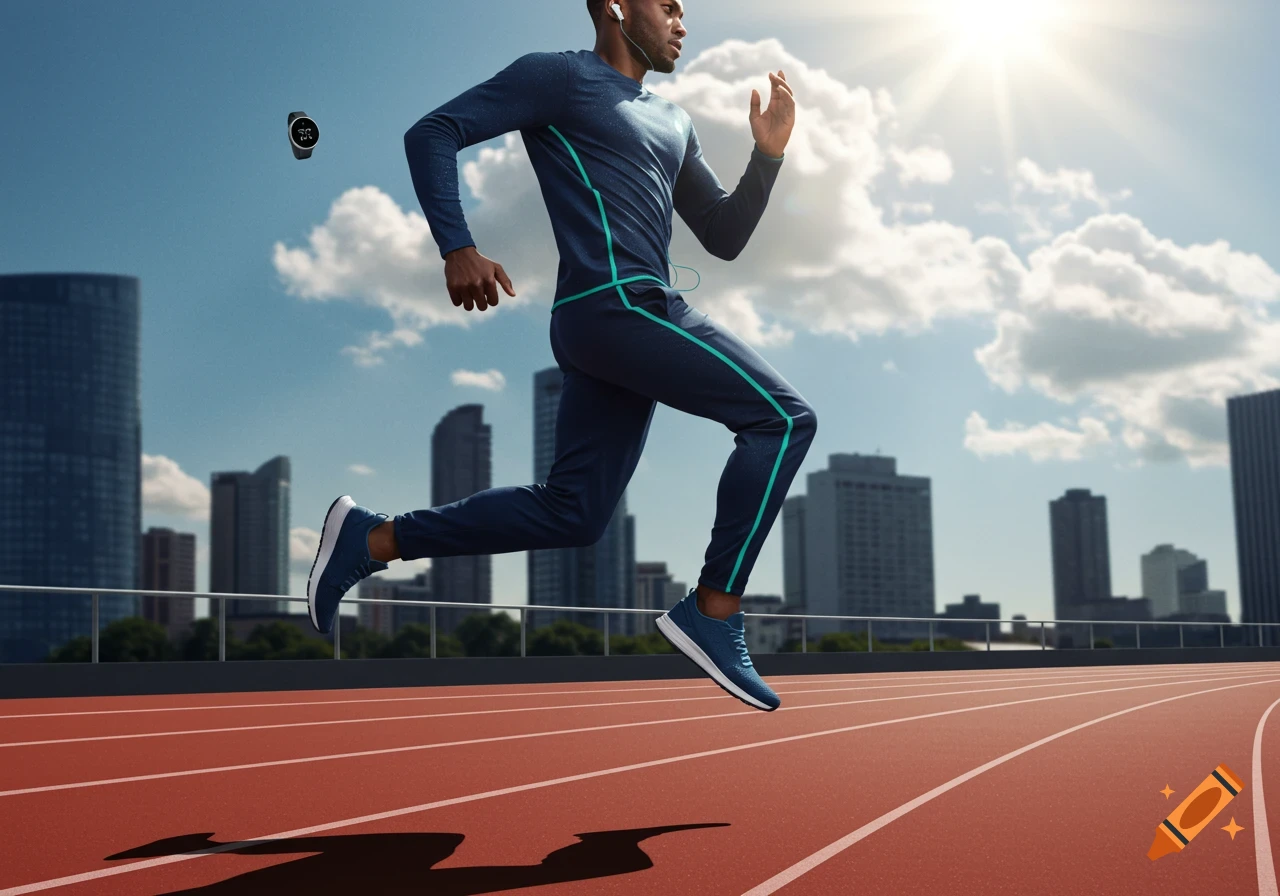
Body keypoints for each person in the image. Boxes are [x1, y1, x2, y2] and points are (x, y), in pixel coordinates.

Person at [307, 0, 815, 712]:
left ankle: (374, 539)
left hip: (617, 324)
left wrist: (768, 156)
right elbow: (433, 132)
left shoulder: (675, 121)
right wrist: (457, 246)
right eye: (667, 4)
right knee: (784, 420)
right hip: (617, 306)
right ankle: (714, 610)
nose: (682, 21)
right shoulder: (559, 78)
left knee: (573, 513)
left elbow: (723, 236)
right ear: (616, 6)